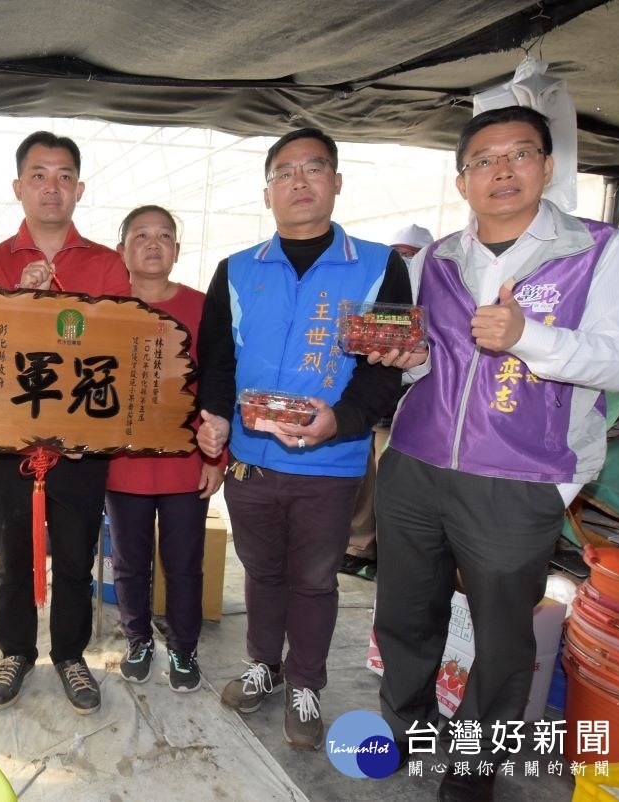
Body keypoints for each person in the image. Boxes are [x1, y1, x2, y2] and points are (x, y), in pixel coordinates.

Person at [373, 105, 619, 802]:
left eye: (520, 154)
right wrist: (400, 358)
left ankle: (472, 769)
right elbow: (414, 369)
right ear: (462, 181)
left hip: (521, 479)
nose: (502, 171)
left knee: (502, 639)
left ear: (549, 167)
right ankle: (407, 725)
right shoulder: (432, 260)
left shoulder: (601, 253)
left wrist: (530, 336)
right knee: (404, 612)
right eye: (483, 160)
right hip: (416, 467)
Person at [196, 127, 410, 750]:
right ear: (267, 193)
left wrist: (338, 422)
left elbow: (385, 367)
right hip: (250, 464)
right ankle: (265, 666)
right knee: (260, 572)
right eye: (284, 172)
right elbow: (217, 361)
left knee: (316, 580)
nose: (299, 182)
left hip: (331, 461)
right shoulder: (235, 270)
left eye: (314, 169)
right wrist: (215, 417)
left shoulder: (378, 266)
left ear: (336, 183)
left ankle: (306, 685)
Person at [0, 131, 131, 715]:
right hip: (8, 441)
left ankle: (69, 653)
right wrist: (16, 298)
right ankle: (14, 649)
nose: (51, 187)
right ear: (18, 187)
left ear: (79, 189)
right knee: (13, 553)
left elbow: (120, 344)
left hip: (83, 441)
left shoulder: (107, 264)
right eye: (38, 175)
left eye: (63, 175)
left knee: (75, 553)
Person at [105, 205, 225, 693]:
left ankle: (183, 647)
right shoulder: (103, 307)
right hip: (121, 461)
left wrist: (217, 458)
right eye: (140, 235)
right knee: (129, 561)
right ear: (122, 250)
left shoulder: (203, 306)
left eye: (164, 236)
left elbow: (219, 382)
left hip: (186, 461)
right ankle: (137, 639)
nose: (153, 244)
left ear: (177, 250)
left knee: (184, 561)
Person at [341, 221, 437, 578]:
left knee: (389, 476)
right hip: (377, 393)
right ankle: (362, 545)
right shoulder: (381, 281)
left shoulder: (435, 288)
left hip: (415, 401)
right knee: (371, 476)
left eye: (410, 255)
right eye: (400, 254)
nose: (404, 260)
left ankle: (380, 548)